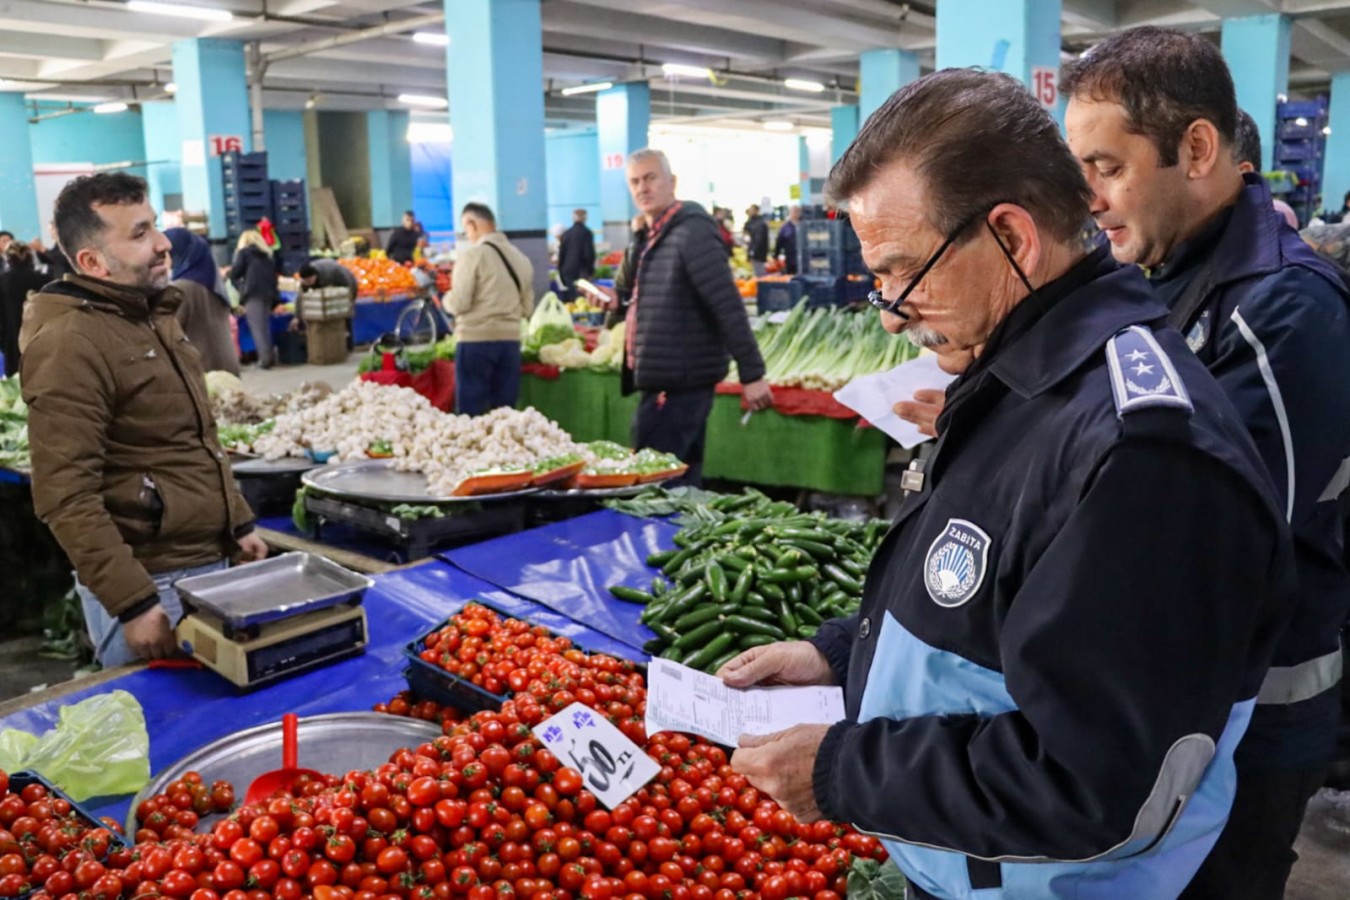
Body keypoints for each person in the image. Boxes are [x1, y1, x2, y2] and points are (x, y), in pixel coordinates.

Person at [720, 69, 1295, 899]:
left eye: (902, 273)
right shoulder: (1013, 377)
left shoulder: (1143, 456)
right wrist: (841, 656)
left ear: (1013, 239)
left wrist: (847, 772)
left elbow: (1094, 783)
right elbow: (985, 594)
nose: (889, 312)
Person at [1062, 29, 1350, 899]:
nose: (1090, 199)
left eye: (1107, 168)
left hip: (1252, 720)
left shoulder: (1285, 312)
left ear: (1194, 149)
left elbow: (1214, 543)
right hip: (1174, 705)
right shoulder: (1159, 273)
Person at [18, 173, 266, 668]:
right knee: (168, 715)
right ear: (93, 262)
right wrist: (133, 602)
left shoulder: (151, 315)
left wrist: (237, 522)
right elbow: (66, 495)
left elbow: (192, 438)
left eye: (154, 225)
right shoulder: (71, 343)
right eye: (139, 234)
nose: (162, 243)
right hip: (154, 583)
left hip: (205, 563)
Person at [622, 149, 772, 486]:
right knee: (677, 480)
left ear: (672, 182)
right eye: (635, 181)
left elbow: (726, 304)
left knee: (655, 482)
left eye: (650, 178)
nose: (642, 188)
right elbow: (634, 293)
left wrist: (752, 373)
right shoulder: (653, 235)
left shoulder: (692, 232)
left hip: (680, 381)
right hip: (664, 379)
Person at [444, 202, 533, 415]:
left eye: (465, 230)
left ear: (472, 224)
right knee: (504, 414)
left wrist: (446, 300)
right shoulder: (521, 258)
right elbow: (527, 308)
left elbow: (460, 302)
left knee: (471, 415)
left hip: (475, 342)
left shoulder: (472, 256)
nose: (467, 235)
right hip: (510, 343)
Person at [165, 228, 239, 375]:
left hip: (203, 369)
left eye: (166, 253)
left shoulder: (181, 288)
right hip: (226, 365)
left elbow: (168, 332)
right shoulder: (213, 283)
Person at [228, 230, 279, 369]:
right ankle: (269, 356)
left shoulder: (244, 254)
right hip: (269, 294)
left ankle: (264, 360)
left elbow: (234, 274)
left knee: (256, 327)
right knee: (265, 326)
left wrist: (241, 287)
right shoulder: (267, 255)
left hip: (253, 293)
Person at [0, 243, 46, 377]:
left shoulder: (2, 281)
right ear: (30, 257)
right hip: (41, 339)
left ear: (8, 259)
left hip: (12, 342)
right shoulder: (44, 279)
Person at [557, 209, 596, 301]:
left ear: (573, 218)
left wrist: (560, 271)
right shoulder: (587, 233)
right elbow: (588, 254)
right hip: (581, 270)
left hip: (567, 270)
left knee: (571, 297)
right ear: (585, 218)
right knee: (581, 298)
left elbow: (561, 254)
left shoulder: (566, 234)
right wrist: (591, 270)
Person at [774, 204, 802, 275]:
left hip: (803, 259)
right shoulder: (785, 227)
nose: (795, 213)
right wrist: (776, 256)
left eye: (797, 211)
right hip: (790, 259)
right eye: (793, 211)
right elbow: (779, 242)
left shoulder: (804, 225)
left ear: (800, 213)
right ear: (790, 213)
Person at [743, 204, 769, 276]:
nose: (750, 211)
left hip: (758, 253)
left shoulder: (760, 223)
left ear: (757, 211)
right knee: (755, 272)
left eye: (752, 210)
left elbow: (759, 239)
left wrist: (753, 251)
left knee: (759, 273)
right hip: (753, 251)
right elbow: (747, 235)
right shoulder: (750, 222)